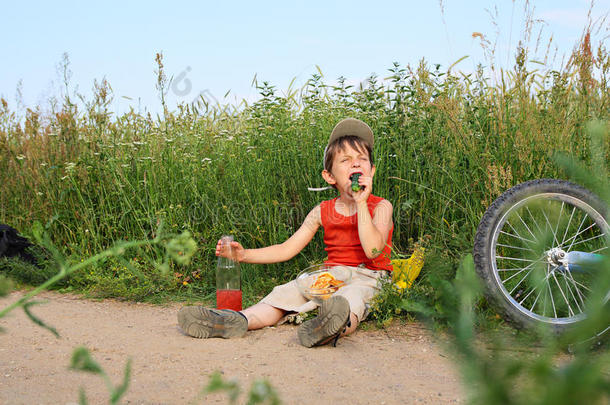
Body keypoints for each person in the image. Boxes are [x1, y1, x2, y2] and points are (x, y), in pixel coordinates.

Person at [178, 118, 393, 347]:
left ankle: (330, 327)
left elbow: (372, 250)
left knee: (352, 299)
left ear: (372, 170)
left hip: (368, 277)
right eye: (346, 160)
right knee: (285, 293)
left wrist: (361, 202)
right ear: (329, 176)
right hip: (331, 276)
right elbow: (286, 249)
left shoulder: (381, 207)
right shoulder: (321, 211)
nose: (356, 165)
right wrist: (243, 255)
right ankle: (235, 320)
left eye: (362, 159)